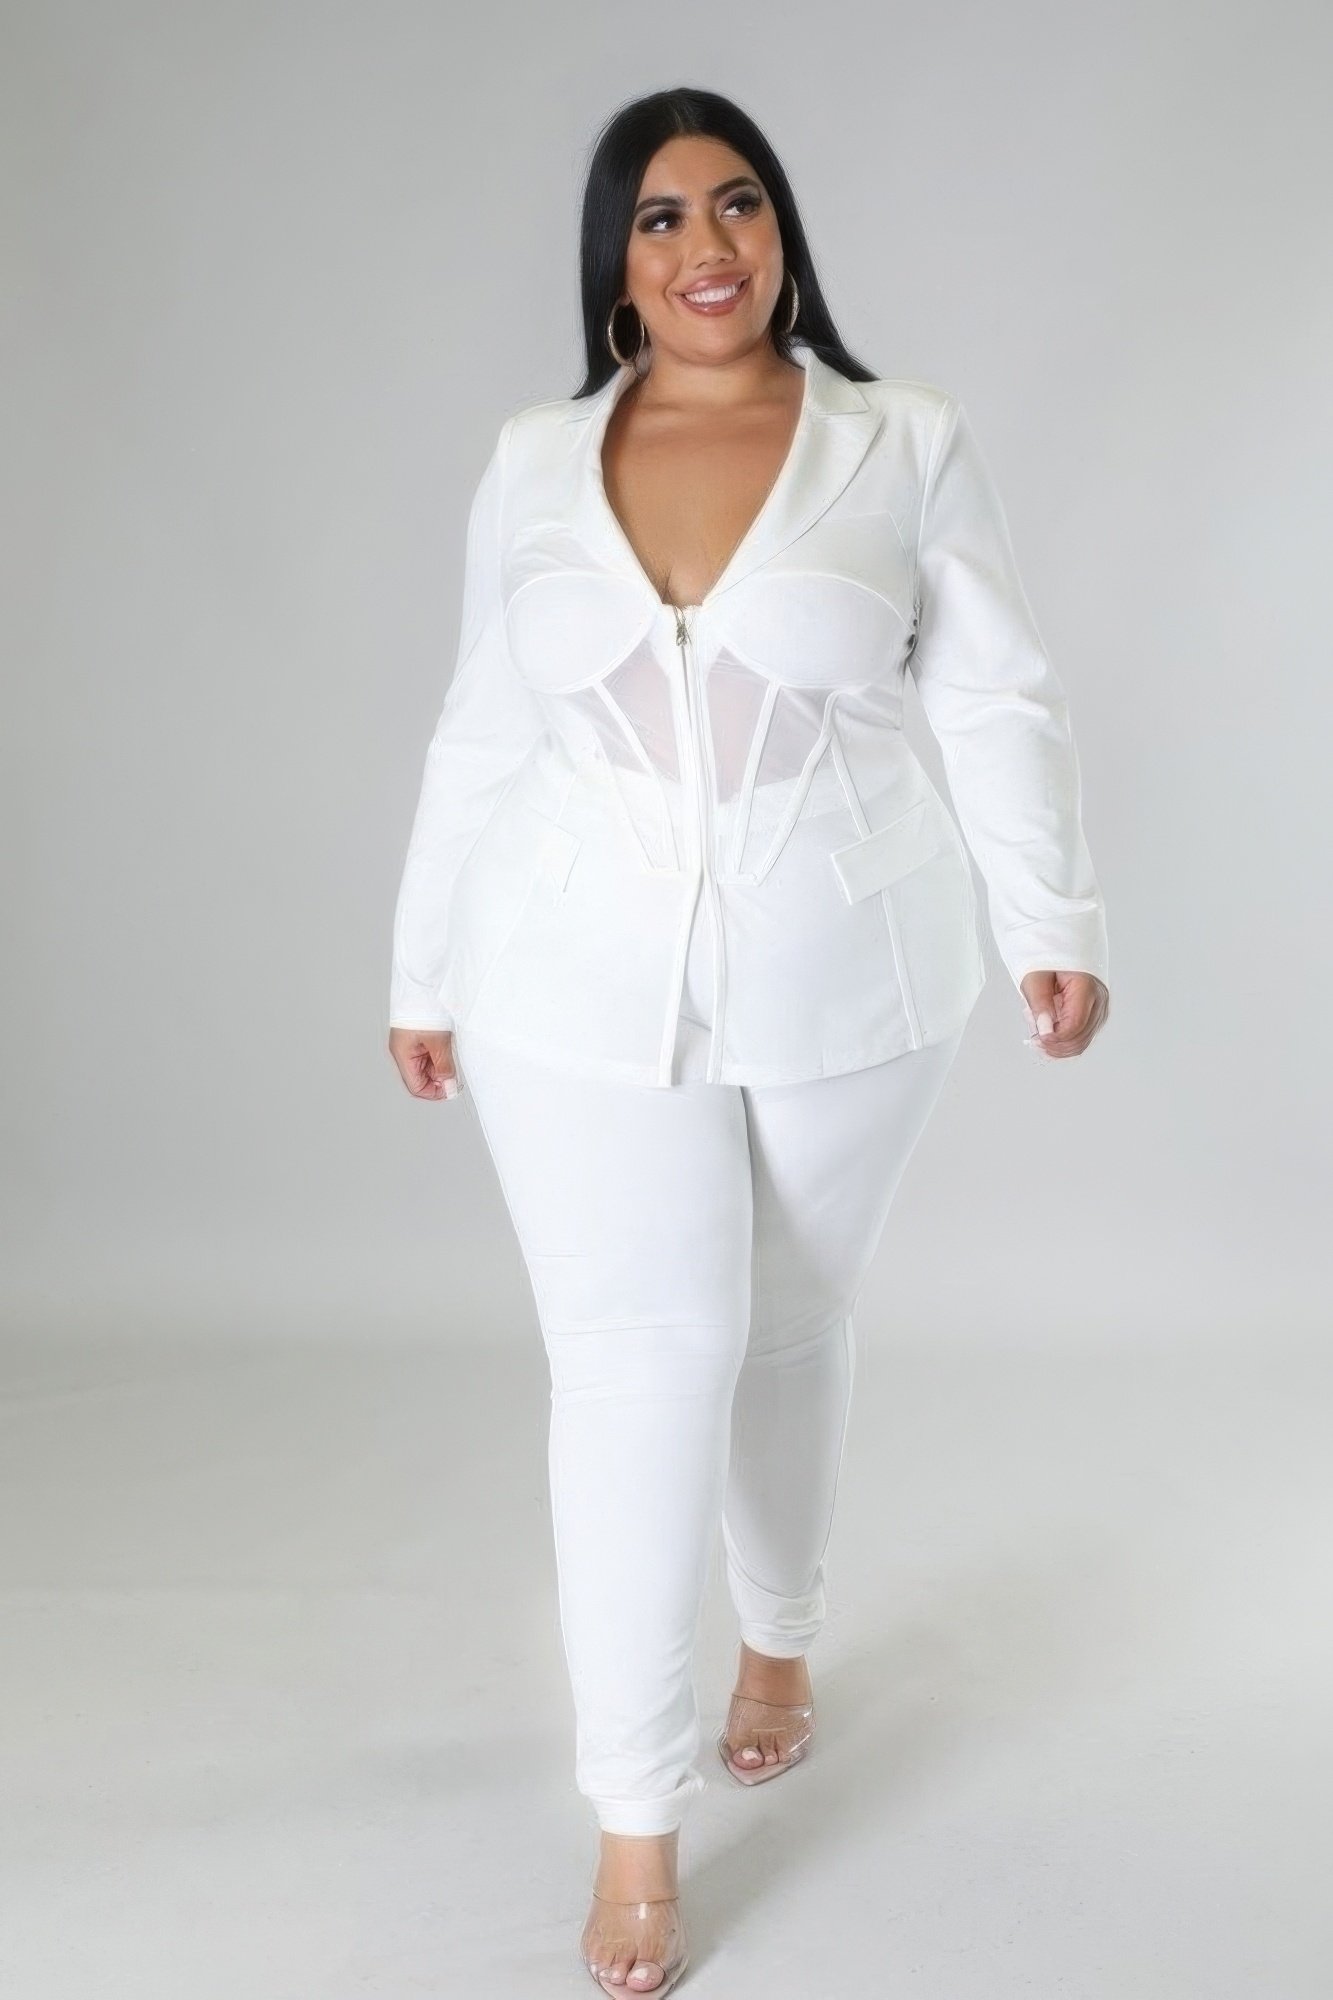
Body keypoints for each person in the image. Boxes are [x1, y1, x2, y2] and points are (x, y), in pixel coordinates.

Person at [387, 86, 1110, 1997]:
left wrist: (1051, 922)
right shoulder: (532, 460)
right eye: (659, 218)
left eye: (736, 204)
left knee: (788, 1319)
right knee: (642, 1362)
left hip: (850, 969)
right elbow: (480, 722)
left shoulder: (901, 439)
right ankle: (635, 1822)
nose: (703, 246)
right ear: (613, 264)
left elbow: (996, 698)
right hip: (563, 977)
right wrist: (419, 968)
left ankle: (777, 1637)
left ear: (782, 231)